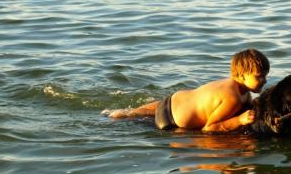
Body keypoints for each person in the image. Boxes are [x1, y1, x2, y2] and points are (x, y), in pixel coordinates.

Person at [106, 48, 269, 132]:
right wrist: (240, 120)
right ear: (241, 76)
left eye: (265, 76)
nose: (264, 80)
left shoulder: (241, 90)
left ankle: (111, 114)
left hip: (174, 100)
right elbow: (210, 128)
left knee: (130, 113)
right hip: (172, 119)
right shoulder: (231, 97)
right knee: (127, 118)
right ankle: (111, 119)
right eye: (259, 76)